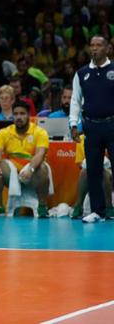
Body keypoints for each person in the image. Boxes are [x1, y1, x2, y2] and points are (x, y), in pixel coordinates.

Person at [70, 35, 114, 223]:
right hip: (91, 127)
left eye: (99, 45)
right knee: (93, 170)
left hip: (113, 124)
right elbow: (75, 100)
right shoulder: (81, 73)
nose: (94, 49)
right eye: (92, 45)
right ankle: (98, 211)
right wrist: (73, 123)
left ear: (107, 48)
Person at [0, 100, 52, 218]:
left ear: (28, 115)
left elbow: (40, 154)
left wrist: (30, 169)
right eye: (15, 114)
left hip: (32, 172)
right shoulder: (4, 132)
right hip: (12, 173)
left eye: (22, 114)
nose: (18, 117)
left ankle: (42, 206)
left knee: (42, 167)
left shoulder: (40, 132)